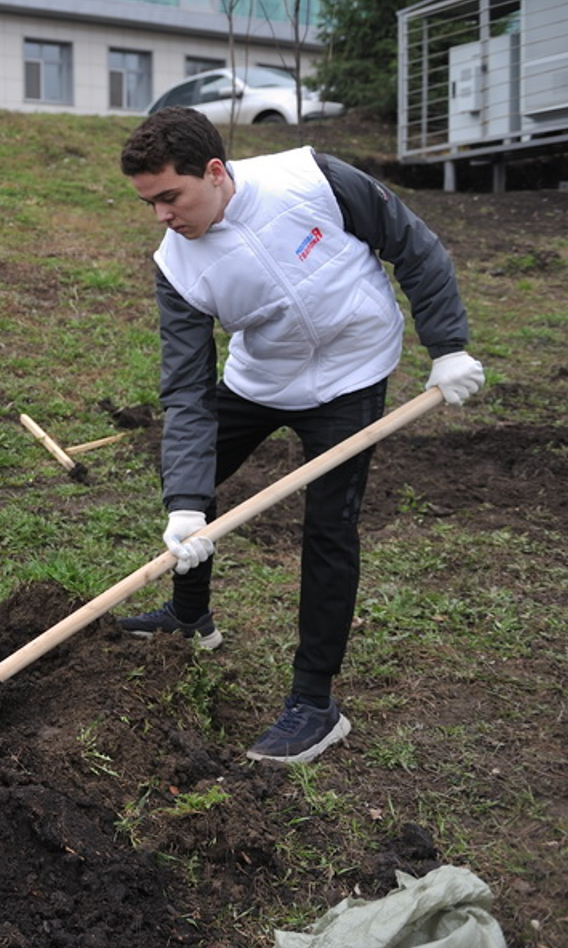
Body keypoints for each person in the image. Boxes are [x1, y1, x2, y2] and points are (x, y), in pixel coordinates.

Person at [117, 106, 485, 764]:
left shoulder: (312, 179)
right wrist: (187, 507)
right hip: (261, 379)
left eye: (170, 196)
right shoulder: (177, 266)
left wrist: (448, 346)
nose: (162, 216)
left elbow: (412, 243)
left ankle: (315, 703)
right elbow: (188, 392)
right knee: (189, 479)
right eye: (149, 203)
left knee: (329, 529)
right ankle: (190, 615)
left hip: (352, 375)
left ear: (215, 171)